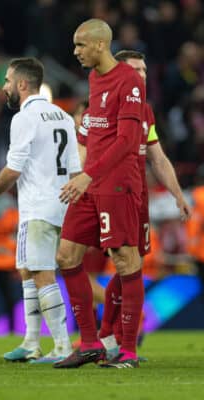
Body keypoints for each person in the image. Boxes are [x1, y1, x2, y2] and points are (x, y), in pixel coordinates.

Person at [83, 50, 190, 357]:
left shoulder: (145, 112)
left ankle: (108, 338)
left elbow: (156, 156)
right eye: (135, 70)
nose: (141, 76)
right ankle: (108, 340)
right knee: (108, 265)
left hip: (134, 194)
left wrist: (177, 194)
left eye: (144, 70)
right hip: (106, 195)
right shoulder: (102, 107)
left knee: (131, 266)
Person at [54, 19, 146, 369]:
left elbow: (126, 141)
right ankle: (91, 342)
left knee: (125, 260)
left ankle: (127, 351)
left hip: (117, 183)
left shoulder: (129, 81)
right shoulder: (94, 78)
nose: (75, 51)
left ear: (99, 45)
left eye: (80, 45)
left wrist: (87, 174)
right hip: (91, 184)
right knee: (66, 255)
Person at [0, 57, 80, 363]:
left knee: (41, 274)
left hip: (37, 206)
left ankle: (62, 346)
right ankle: (30, 341)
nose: (5, 87)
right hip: (63, 203)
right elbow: (76, 170)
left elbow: (13, 168)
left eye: (8, 81)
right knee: (27, 270)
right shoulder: (63, 116)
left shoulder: (23, 118)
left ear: (23, 84)